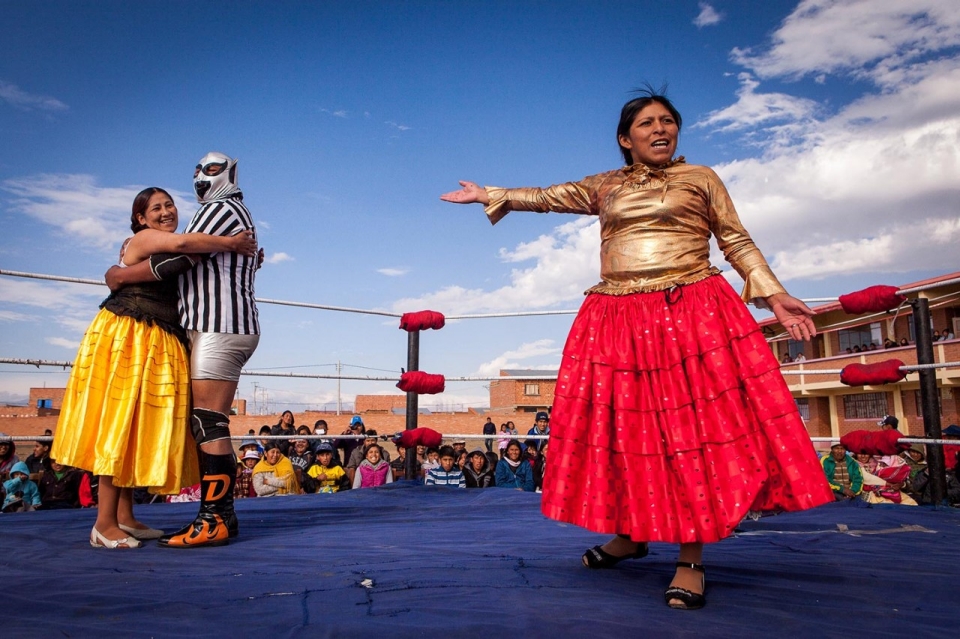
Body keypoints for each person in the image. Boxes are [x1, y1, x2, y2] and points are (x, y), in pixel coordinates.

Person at [441, 90, 833, 610]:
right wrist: (491, 193)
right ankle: (632, 533)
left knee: (687, 435)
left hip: (689, 311)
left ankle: (691, 555)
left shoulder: (702, 179)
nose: (660, 129)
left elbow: (735, 240)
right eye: (647, 123)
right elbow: (547, 195)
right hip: (617, 317)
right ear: (626, 139)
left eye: (667, 121)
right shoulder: (604, 185)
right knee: (626, 430)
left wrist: (773, 292)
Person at [55, 187, 256, 549]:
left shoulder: (167, 243)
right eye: (156, 208)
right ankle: (103, 524)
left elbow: (189, 264)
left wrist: (248, 259)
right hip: (131, 334)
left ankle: (125, 517)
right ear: (140, 219)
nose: (165, 211)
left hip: (156, 337)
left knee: (135, 427)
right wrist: (232, 243)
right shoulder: (145, 239)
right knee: (119, 425)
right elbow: (181, 252)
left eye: (169, 205)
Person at [106, 154, 261, 548]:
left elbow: (182, 251)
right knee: (206, 421)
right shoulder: (221, 212)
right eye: (196, 169)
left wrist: (119, 273)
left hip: (219, 325)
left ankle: (215, 520)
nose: (198, 176)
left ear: (229, 172)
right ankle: (217, 518)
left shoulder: (221, 208)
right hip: (215, 326)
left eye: (209, 168)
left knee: (209, 422)